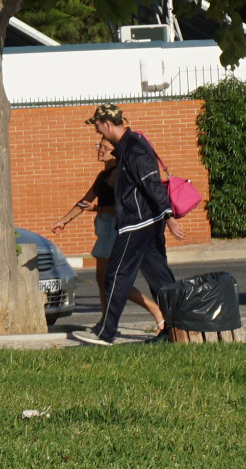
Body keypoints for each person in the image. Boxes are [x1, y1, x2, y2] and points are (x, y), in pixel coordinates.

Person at [71, 105, 184, 346]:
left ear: (109, 124)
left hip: (137, 224)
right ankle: (176, 331)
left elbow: (151, 184)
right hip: (146, 223)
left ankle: (105, 332)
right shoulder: (128, 146)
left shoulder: (133, 149)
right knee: (161, 281)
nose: (96, 130)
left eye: (97, 125)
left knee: (116, 276)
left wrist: (169, 217)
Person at [52, 140, 164, 336]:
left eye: (105, 147)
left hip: (115, 228)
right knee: (102, 278)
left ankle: (155, 311)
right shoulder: (103, 175)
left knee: (112, 280)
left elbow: (123, 207)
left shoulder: (120, 174)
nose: (100, 150)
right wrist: (64, 220)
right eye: (99, 146)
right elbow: (86, 200)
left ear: (115, 152)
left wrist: (98, 209)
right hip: (103, 229)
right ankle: (106, 320)